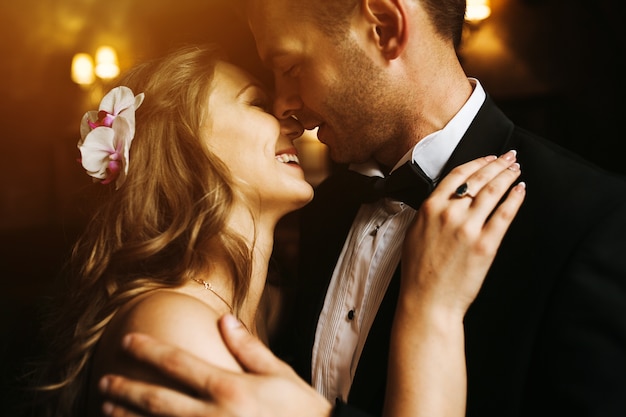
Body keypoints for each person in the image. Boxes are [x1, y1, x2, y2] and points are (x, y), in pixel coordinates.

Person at [96, 0, 626, 416]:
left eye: (290, 64)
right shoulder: (319, 213)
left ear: (384, 27)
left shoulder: (589, 224)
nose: (286, 106)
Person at [27, 43, 524, 417]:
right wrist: (431, 310)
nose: (292, 120)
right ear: (185, 150)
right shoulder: (172, 326)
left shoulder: (248, 314)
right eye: (256, 103)